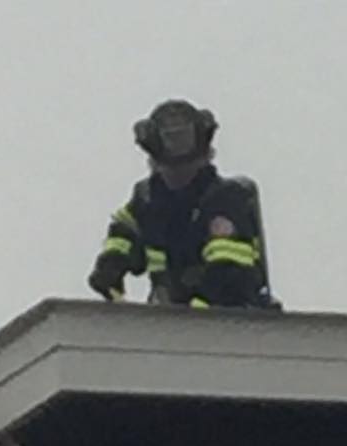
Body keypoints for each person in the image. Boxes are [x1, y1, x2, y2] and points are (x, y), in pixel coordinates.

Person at [88, 100, 272, 308]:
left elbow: (228, 272)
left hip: (225, 317)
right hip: (169, 313)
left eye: (187, 168)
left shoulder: (225, 200)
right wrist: (111, 264)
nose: (176, 177)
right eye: (169, 170)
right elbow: (124, 234)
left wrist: (196, 310)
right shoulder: (147, 200)